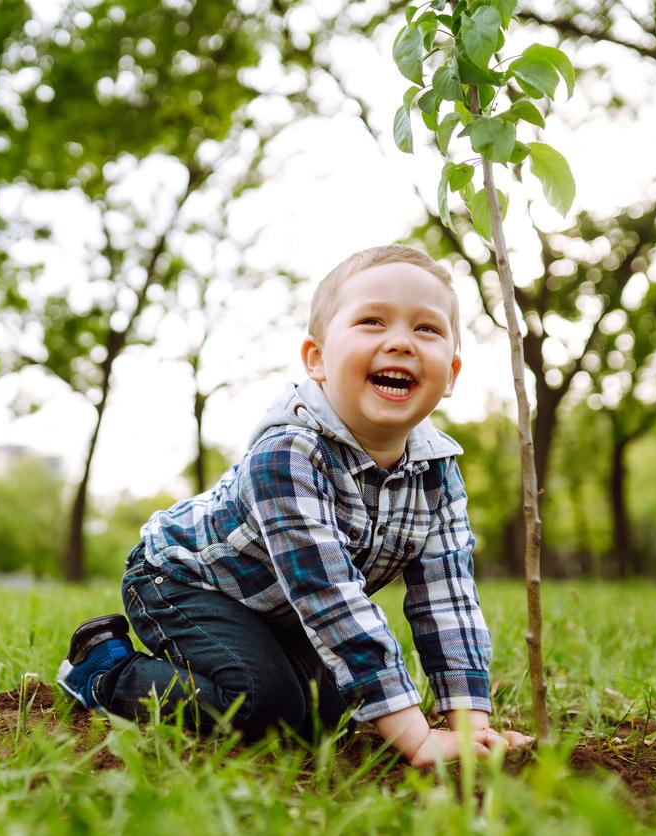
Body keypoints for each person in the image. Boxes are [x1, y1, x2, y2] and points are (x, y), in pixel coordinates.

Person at [56, 244, 534, 766]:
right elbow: (327, 596)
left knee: (324, 715)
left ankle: (253, 677)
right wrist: (417, 739)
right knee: (261, 705)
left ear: (452, 374)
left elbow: (448, 597)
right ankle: (104, 669)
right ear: (317, 360)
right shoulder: (288, 454)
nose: (401, 342)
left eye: (427, 329)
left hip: (279, 612)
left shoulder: (437, 472)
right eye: (372, 322)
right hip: (185, 582)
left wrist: (469, 726)